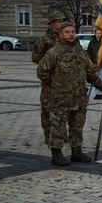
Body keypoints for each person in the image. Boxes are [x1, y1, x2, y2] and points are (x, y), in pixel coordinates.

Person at [36, 22, 102, 166]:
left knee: (77, 126)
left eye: (73, 32)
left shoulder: (80, 52)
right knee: (58, 127)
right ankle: (56, 154)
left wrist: (101, 87)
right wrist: (56, 85)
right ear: (61, 34)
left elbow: (90, 72)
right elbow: (42, 72)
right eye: (67, 32)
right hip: (60, 99)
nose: (70, 35)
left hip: (79, 97)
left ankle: (77, 152)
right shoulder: (54, 52)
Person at [31, 10, 66, 145]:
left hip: (64, 80)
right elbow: (35, 58)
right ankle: (48, 133)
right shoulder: (45, 40)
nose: (61, 23)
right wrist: (47, 65)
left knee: (63, 108)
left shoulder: (65, 37)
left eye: (62, 21)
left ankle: (62, 133)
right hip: (50, 80)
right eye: (58, 21)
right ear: (52, 23)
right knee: (47, 107)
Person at [86, 29, 102, 100]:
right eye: (97, 33)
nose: (98, 34)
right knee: (95, 79)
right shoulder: (92, 42)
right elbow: (89, 52)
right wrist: (92, 63)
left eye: (99, 33)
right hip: (94, 64)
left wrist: (101, 63)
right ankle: (97, 93)